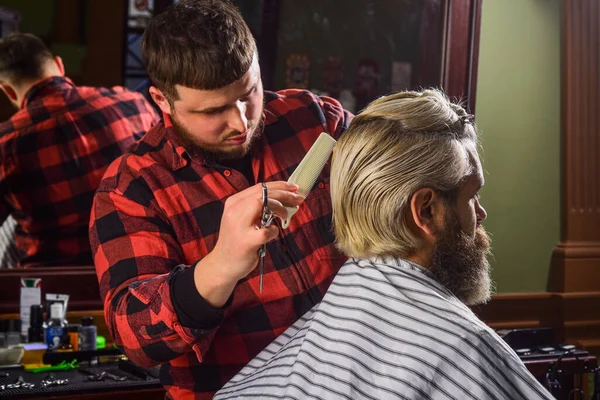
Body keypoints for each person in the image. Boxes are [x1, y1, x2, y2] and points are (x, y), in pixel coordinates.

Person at [214, 89, 554, 400]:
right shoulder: (463, 349)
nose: (481, 213)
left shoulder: (299, 348)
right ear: (426, 211)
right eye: (472, 195)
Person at [88, 0, 352, 398]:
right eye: (213, 110)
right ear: (162, 101)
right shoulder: (131, 190)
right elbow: (135, 338)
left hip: (358, 378)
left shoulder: (317, 120)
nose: (241, 122)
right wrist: (221, 266)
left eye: (249, 93)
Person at [0, 33, 159, 267]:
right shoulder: (132, 103)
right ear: (60, 65)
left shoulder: (6, 142)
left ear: (8, 91)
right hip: (136, 263)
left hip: (54, 279)